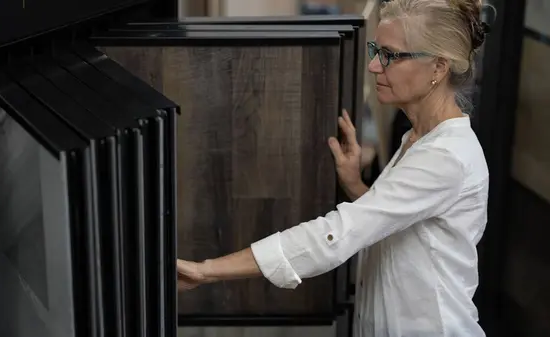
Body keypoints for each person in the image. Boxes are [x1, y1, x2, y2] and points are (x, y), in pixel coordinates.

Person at [177, 0, 491, 335]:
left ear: (439, 67)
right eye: (375, 49)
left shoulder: (445, 156)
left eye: (390, 55)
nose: (373, 65)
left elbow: (336, 235)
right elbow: (401, 225)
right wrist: (356, 185)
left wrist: (206, 270)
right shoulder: (418, 137)